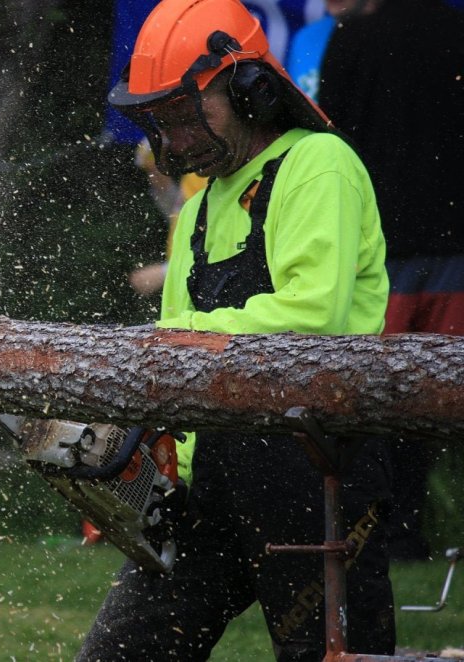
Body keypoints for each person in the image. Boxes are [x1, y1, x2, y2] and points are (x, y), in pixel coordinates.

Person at [79, 0, 395, 659]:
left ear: (250, 90)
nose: (177, 135)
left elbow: (314, 317)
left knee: (330, 650)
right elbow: (173, 372)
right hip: (217, 478)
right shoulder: (197, 211)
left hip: (316, 465)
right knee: (123, 649)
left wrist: (175, 345)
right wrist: (151, 481)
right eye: (162, 119)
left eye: (188, 112)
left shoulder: (317, 166)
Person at [318, 0, 464, 561]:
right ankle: (417, 531)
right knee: (445, 390)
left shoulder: (352, 38)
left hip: (387, 244)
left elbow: (331, 138)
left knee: (384, 392)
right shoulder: (456, 29)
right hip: (455, 242)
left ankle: (388, 532)